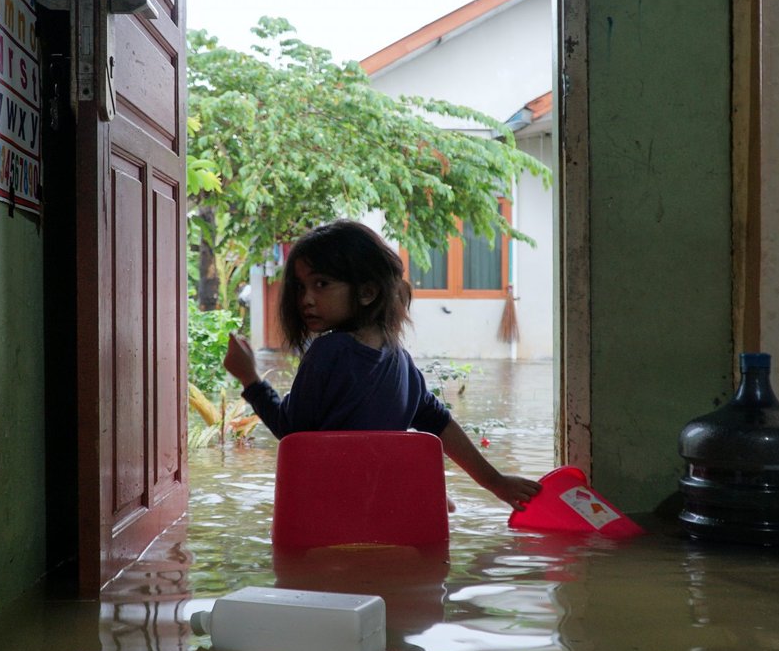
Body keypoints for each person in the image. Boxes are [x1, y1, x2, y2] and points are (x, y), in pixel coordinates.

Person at [223, 219, 542, 511]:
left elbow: (293, 435)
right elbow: (439, 424)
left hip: (331, 515)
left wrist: (250, 379)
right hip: (390, 508)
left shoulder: (329, 352)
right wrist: (495, 482)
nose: (306, 299)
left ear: (367, 292)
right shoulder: (400, 360)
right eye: (300, 287)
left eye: (321, 284)